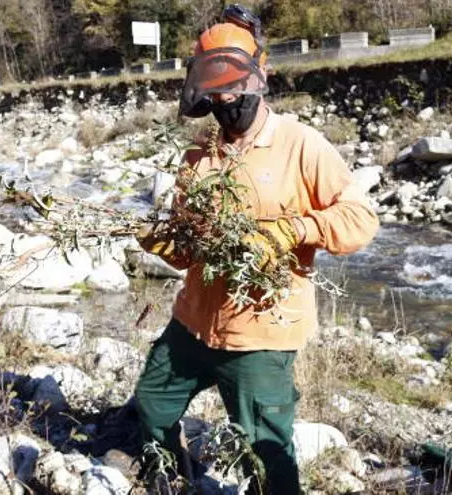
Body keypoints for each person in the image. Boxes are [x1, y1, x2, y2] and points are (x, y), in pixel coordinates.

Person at [133, 6, 380, 494]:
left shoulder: (301, 145)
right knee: (152, 401)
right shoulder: (200, 157)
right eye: (216, 88)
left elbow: (360, 220)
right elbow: (188, 252)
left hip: (263, 333)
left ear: (259, 75)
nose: (226, 99)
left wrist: (293, 230)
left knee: (264, 451)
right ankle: (170, 479)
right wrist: (164, 241)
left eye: (233, 86)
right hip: (194, 322)